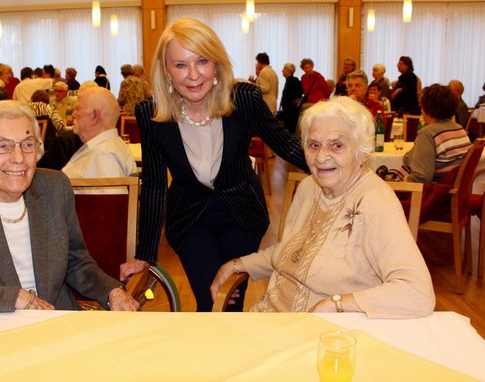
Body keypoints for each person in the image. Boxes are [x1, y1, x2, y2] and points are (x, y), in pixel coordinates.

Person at [119, 18, 308, 312]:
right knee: (210, 300)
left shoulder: (245, 100)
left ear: (216, 64)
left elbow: (285, 144)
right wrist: (145, 254)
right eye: (180, 65)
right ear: (166, 71)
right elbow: (155, 184)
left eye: (202, 61)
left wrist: (335, 165)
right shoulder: (152, 113)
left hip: (242, 215)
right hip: (190, 219)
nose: (193, 75)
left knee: (231, 301)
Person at [211, 96, 435, 318]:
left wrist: (335, 304)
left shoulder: (375, 201)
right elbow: (290, 254)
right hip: (268, 319)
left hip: (321, 336)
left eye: (336, 145)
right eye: (314, 145)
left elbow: (417, 292)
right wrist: (236, 264)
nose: (321, 157)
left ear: (361, 150)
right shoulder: (310, 187)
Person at [0, 100, 139, 314]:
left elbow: (76, 261)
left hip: (57, 319)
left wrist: (112, 291)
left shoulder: (55, 187)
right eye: (3, 146)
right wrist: (13, 297)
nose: (19, 157)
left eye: (27, 144)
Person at [401, 84, 471, 184]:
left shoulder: (428, 134)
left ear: (426, 108)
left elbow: (421, 177)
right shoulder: (459, 129)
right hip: (449, 190)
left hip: (430, 194)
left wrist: (401, 182)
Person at [63, 87, 136, 180]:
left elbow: (111, 194)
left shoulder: (105, 156)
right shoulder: (103, 147)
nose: (73, 114)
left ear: (94, 116)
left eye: (78, 109)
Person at [279, 62, 303, 134]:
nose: (282, 71)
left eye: (284, 69)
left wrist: (296, 99)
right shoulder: (288, 80)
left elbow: (299, 90)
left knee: (290, 128)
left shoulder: (293, 80)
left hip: (291, 109)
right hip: (288, 108)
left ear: (289, 71)